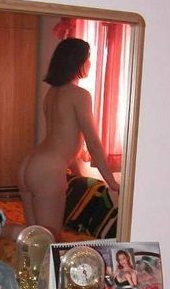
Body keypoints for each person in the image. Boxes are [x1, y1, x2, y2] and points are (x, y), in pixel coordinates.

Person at [18, 38, 119, 240]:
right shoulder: (80, 95)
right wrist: (112, 182)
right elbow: (92, 142)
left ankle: (7, 237)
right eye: (88, 58)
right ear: (77, 62)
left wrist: (75, 171)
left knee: (33, 240)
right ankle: (2, 231)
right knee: (47, 240)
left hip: (29, 165)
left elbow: (61, 137)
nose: (90, 63)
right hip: (47, 171)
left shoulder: (51, 94)